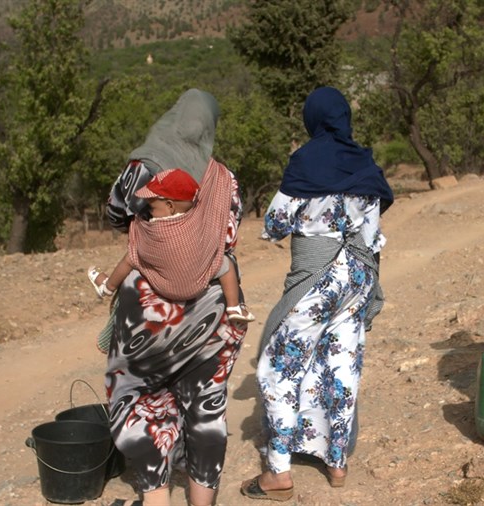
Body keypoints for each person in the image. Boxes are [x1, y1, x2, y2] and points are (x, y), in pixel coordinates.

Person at [240, 86, 393, 501]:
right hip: (358, 276)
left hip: (317, 278)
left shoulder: (306, 161)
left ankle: (278, 472)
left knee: (277, 368)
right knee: (341, 363)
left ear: (313, 118)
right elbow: (373, 233)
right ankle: (337, 460)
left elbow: (274, 223)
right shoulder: (363, 161)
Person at [102, 89, 248, 506]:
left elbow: (115, 215)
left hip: (148, 314)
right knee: (206, 406)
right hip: (214, 304)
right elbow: (229, 236)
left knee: (141, 396)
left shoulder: (141, 169)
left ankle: (156, 497)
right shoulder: (224, 178)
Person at [87, 168, 255, 323]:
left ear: (169, 206)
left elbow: (136, 247)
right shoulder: (200, 220)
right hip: (197, 284)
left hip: (164, 287)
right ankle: (234, 307)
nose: (148, 210)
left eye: (151, 206)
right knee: (226, 264)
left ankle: (107, 287)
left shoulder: (151, 230)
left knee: (131, 258)